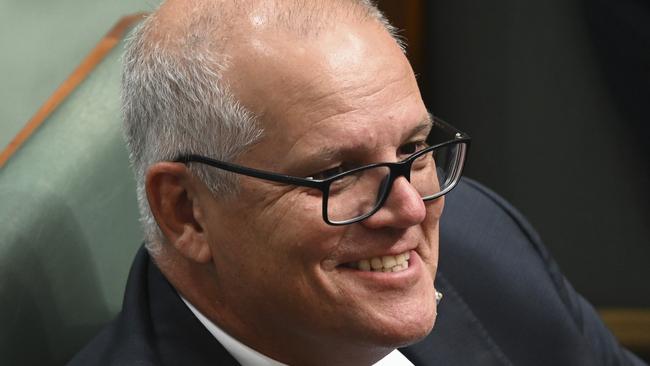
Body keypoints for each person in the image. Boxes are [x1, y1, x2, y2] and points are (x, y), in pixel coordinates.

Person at [69, 0, 646, 365]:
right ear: (187, 212)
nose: (410, 210)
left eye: (414, 151)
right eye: (336, 173)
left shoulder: (483, 243)